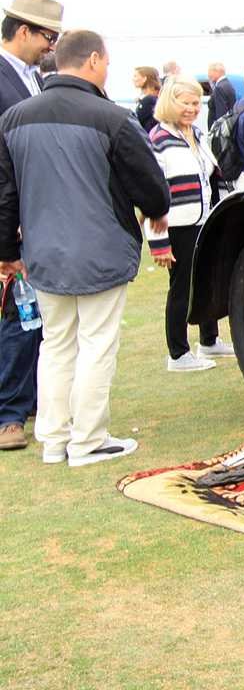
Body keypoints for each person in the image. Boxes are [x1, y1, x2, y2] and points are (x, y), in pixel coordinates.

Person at [0, 29, 170, 466]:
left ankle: (54, 438)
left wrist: (7, 250)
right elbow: (149, 184)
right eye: (107, 62)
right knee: (95, 344)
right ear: (93, 60)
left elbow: (5, 195)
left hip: (44, 250)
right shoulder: (111, 116)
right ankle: (87, 439)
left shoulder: (14, 118)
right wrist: (156, 209)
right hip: (100, 247)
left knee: (55, 344)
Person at [0, 0, 61, 452]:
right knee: (16, 316)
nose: (50, 46)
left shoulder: (32, 78)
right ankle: (10, 415)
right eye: (47, 37)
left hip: (33, 215)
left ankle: (32, 400)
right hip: (11, 217)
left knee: (35, 316)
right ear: (23, 31)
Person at [144, 78, 232, 372]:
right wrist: (158, 243)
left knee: (208, 280)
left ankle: (209, 340)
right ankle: (178, 354)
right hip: (178, 226)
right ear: (170, 101)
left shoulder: (198, 133)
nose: (192, 109)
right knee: (182, 288)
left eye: (196, 103)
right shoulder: (158, 139)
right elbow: (150, 193)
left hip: (205, 219)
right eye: (185, 103)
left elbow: (211, 175)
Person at [206, 62, 238, 127]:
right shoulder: (229, 86)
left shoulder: (219, 88)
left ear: (218, 72)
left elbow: (221, 114)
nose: (208, 75)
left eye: (209, 72)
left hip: (219, 131)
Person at [132, 67, 160, 132]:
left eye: (136, 76)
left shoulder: (149, 99)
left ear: (144, 79)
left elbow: (136, 120)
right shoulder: (154, 97)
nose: (133, 79)